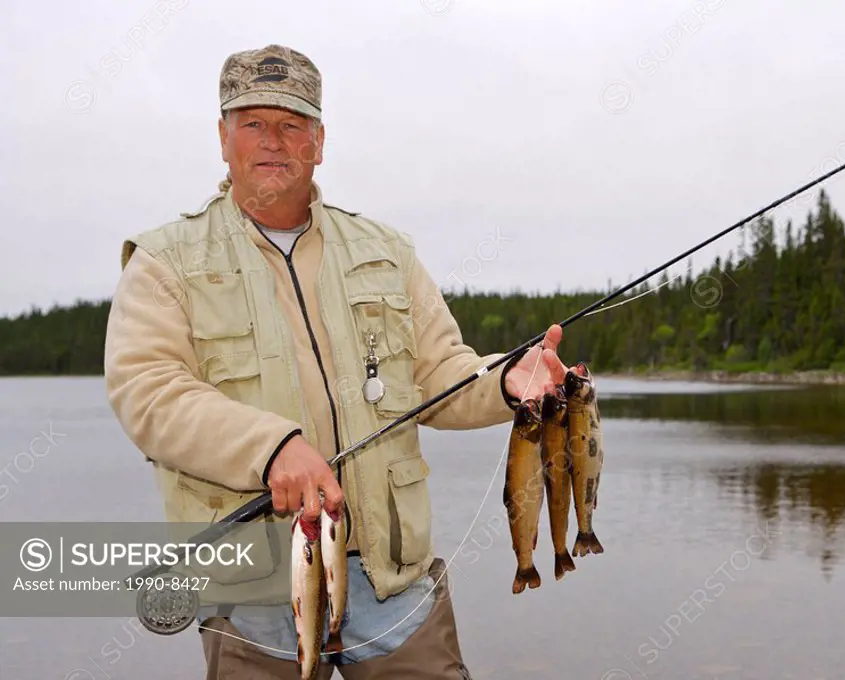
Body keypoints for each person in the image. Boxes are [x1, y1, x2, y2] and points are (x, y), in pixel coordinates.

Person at [103, 43, 569, 679]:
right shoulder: (164, 262)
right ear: (222, 137)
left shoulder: (387, 251)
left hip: (391, 578)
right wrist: (272, 448)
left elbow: (440, 374)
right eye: (252, 122)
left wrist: (506, 380)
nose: (272, 140)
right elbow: (149, 394)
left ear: (318, 142)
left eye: (292, 124)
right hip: (255, 588)